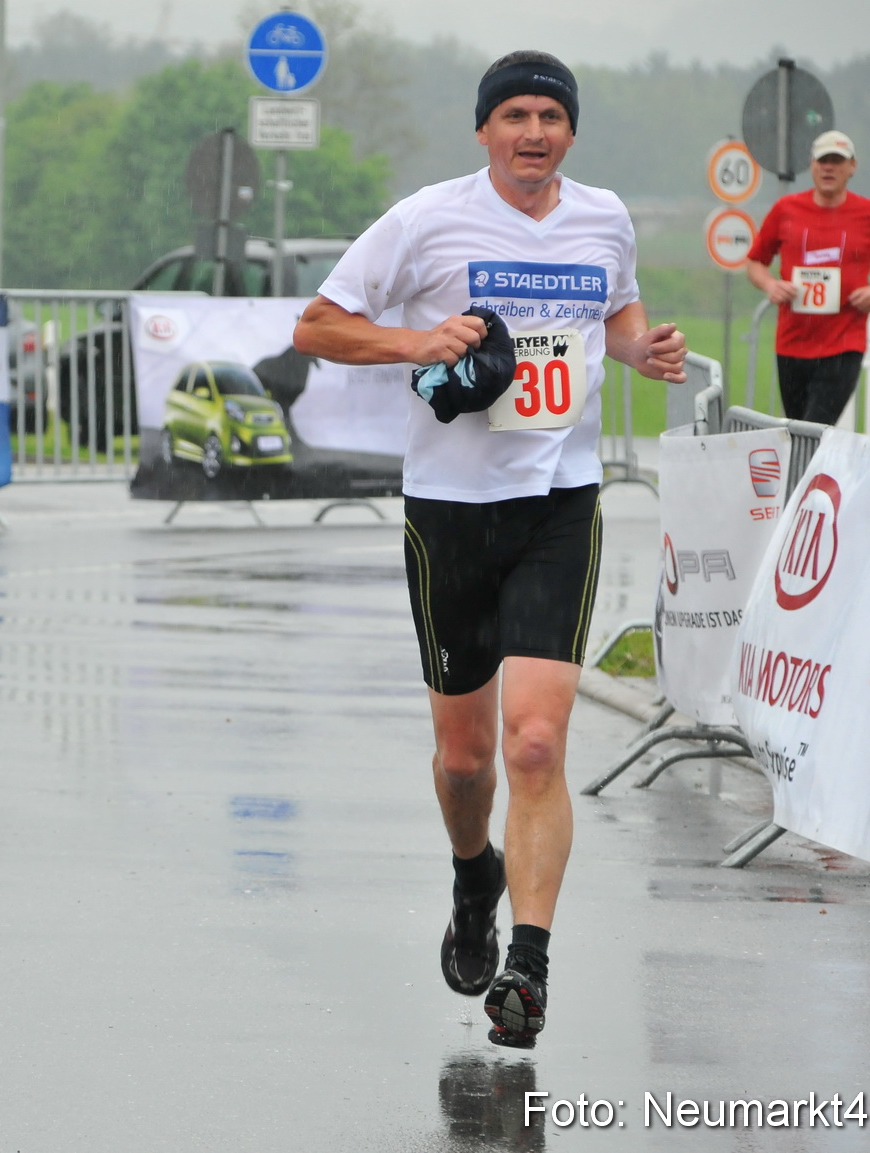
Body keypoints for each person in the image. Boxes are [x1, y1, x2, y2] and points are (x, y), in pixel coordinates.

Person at [292, 50, 688, 1048]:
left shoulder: (604, 217)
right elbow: (317, 326)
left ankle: (528, 965)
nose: (532, 132)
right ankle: (474, 874)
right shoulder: (426, 219)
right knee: (466, 758)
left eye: (549, 116)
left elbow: (618, 307)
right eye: (513, 114)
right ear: (483, 129)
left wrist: (640, 348)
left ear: (570, 132)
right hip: (450, 512)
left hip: (560, 503)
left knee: (536, 742)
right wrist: (414, 342)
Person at [744, 130, 870, 426]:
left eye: (837, 161)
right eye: (823, 161)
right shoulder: (786, 209)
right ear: (812, 165)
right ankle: (806, 460)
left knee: (815, 427)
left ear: (852, 166)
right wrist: (770, 285)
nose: (829, 168)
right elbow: (755, 262)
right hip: (792, 343)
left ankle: (809, 458)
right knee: (798, 428)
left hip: (843, 342)